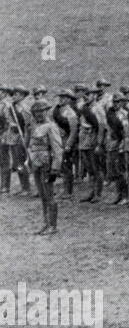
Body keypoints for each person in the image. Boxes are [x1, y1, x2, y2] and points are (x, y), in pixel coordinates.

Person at [26, 99, 63, 235]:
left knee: (49, 196)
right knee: (42, 196)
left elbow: (58, 149)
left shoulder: (51, 126)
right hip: (36, 164)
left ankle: (53, 226)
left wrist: (55, 168)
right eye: (36, 112)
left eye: (41, 111)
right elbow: (31, 146)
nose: (38, 114)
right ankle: (46, 223)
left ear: (46, 111)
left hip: (47, 165)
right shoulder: (35, 127)